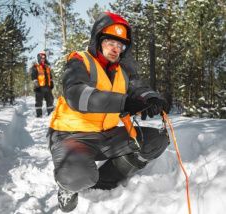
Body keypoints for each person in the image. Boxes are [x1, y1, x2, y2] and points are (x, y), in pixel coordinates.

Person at [48, 12, 170, 212]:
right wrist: (124, 103)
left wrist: (151, 98)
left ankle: (103, 183)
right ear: (98, 40)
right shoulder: (80, 61)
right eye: (110, 42)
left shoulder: (122, 70)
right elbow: (77, 94)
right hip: (71, 136)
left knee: (155, 141)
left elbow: (139, 88)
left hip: (107, 136)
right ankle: (67, 187)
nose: (115, 49)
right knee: (79, 176)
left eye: (120, 45)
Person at [31, 51, 54, 117]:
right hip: (39, 88)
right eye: (42, 58)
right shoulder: (36, 67)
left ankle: (51, 114)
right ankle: (39, 115)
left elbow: (50, 76)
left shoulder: (47, 67)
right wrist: (36, 85)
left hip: (47, 87)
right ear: (39, 58)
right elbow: (33, 77)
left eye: (44, 58)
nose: (43, 59)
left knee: (50, 100)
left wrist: (51, 82)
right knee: (38, 102)